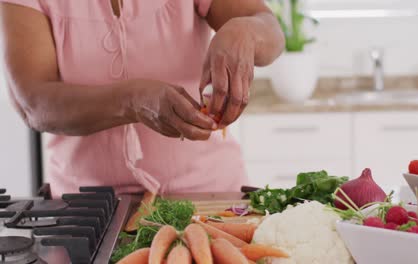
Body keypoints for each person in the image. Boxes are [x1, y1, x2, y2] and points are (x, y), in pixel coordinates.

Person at [0, 0, 284, 196]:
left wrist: (244, 31)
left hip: (208, 193)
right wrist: (133, 100)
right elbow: (33, 103)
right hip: (85, 207)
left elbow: (269, 28)